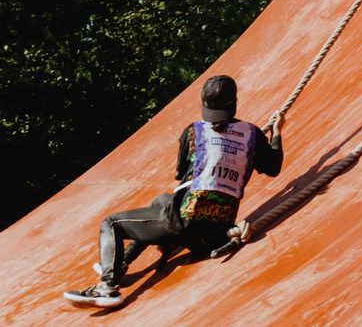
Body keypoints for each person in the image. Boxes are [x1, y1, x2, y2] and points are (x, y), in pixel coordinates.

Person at [65, 75, 282, 310]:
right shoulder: (253, 134)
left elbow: (180, 173)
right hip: (215, 235)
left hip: (182, 222)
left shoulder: (193, 132)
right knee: (160, 201)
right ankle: (122, 261)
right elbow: (273, 168)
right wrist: (277, 132)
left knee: (111, 223)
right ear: (234, 102)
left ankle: (107, 288)